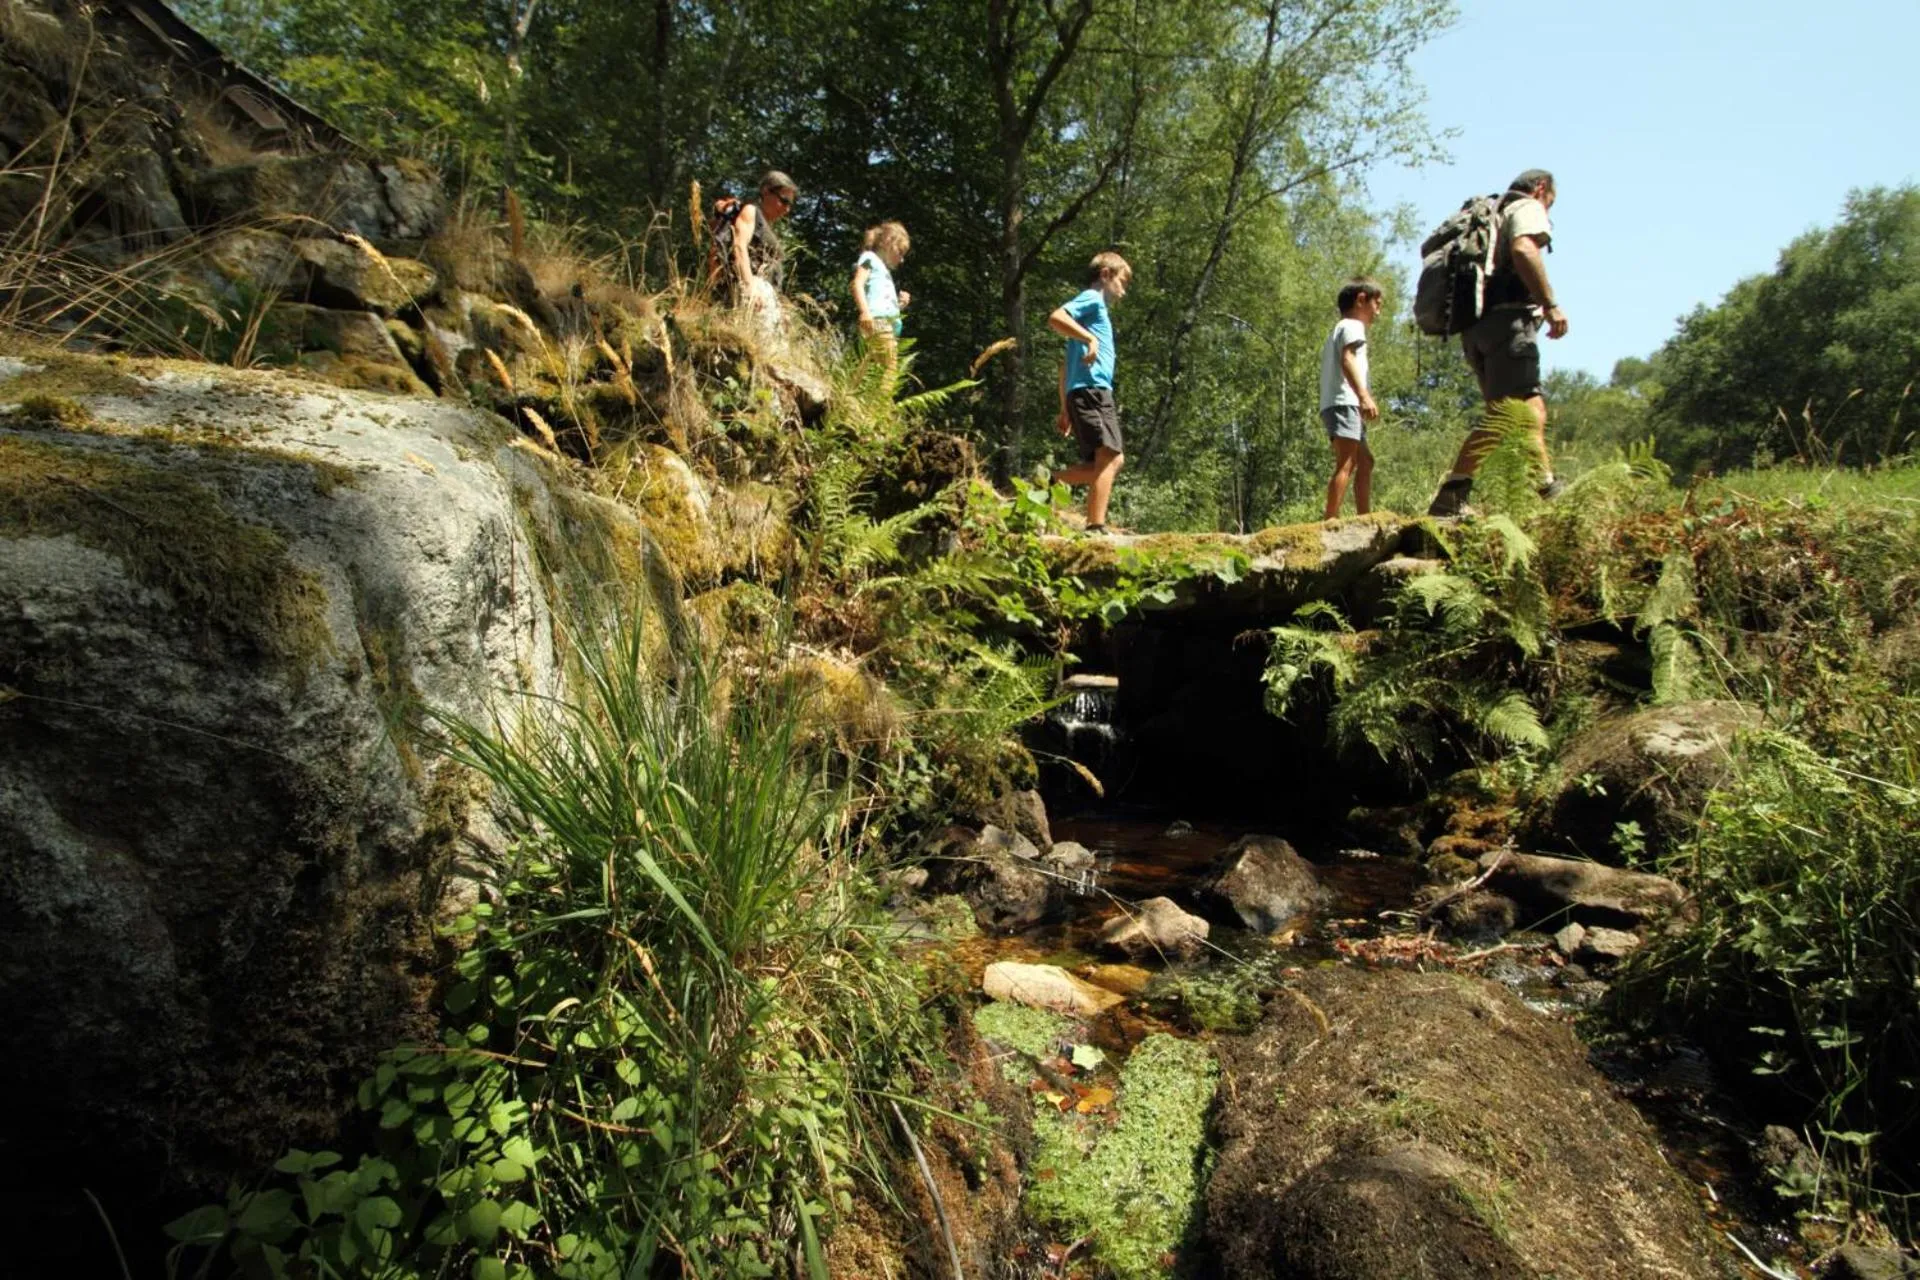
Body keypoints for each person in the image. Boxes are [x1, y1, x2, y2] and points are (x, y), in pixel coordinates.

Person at [1427, 168, 1570, 517]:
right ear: (1540, 189)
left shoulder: (1490, 211)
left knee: (1506, 413)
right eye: (1550, 203)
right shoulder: (1525, 207)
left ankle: (1458, 494)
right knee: (1526, 408)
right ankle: (1545, 488)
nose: (1547, 211)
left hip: (1475, 329)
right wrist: (1550, 305)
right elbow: (1524, 249)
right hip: (1509, 323)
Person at [1048, 251, 1132, 535]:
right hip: (1092, 390)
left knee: (1109, 460)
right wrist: (1090, 338)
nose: (1123, 291)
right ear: (1106, 274)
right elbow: (1055, 317)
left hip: (1085, 391)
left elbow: (1064, 368)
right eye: (1122, 282)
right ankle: (1095, 527)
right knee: (1109, 456)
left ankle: (1052, 480)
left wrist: (1065, 408)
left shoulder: (1092, 314)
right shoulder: (1092, 300)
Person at [1319, 278, 1383, 520]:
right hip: (1344, 401)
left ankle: (1364, 518)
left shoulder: (1343, 327)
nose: (1379, 311)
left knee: (1365, 461)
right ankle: (1330, 521)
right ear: (1361, 300)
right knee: (1347, 462)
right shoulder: (1352, 325)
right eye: (1377, 303)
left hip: (1344, 403)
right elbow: (1348, 359)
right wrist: (1364, 395)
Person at [725, 170, 799, 330]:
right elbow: (739, 246)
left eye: (790, 204)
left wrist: (782, 309)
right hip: (755, 290)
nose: (787, 209)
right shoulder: (751, 211)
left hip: (767, 296)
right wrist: (749, 285)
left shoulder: (768, 226)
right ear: (766, 191)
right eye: (784, 201)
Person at [852, 221, 911, 339]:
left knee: (876, 358)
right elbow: (857, 283)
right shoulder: (869, 258)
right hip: (878, 323)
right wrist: (864, 312)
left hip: (888, 325)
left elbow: (881, 304)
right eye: (900, 252)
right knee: (888, 358)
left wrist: (899, 305)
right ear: (888, 243)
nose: (902, 260)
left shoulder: (884, 270)